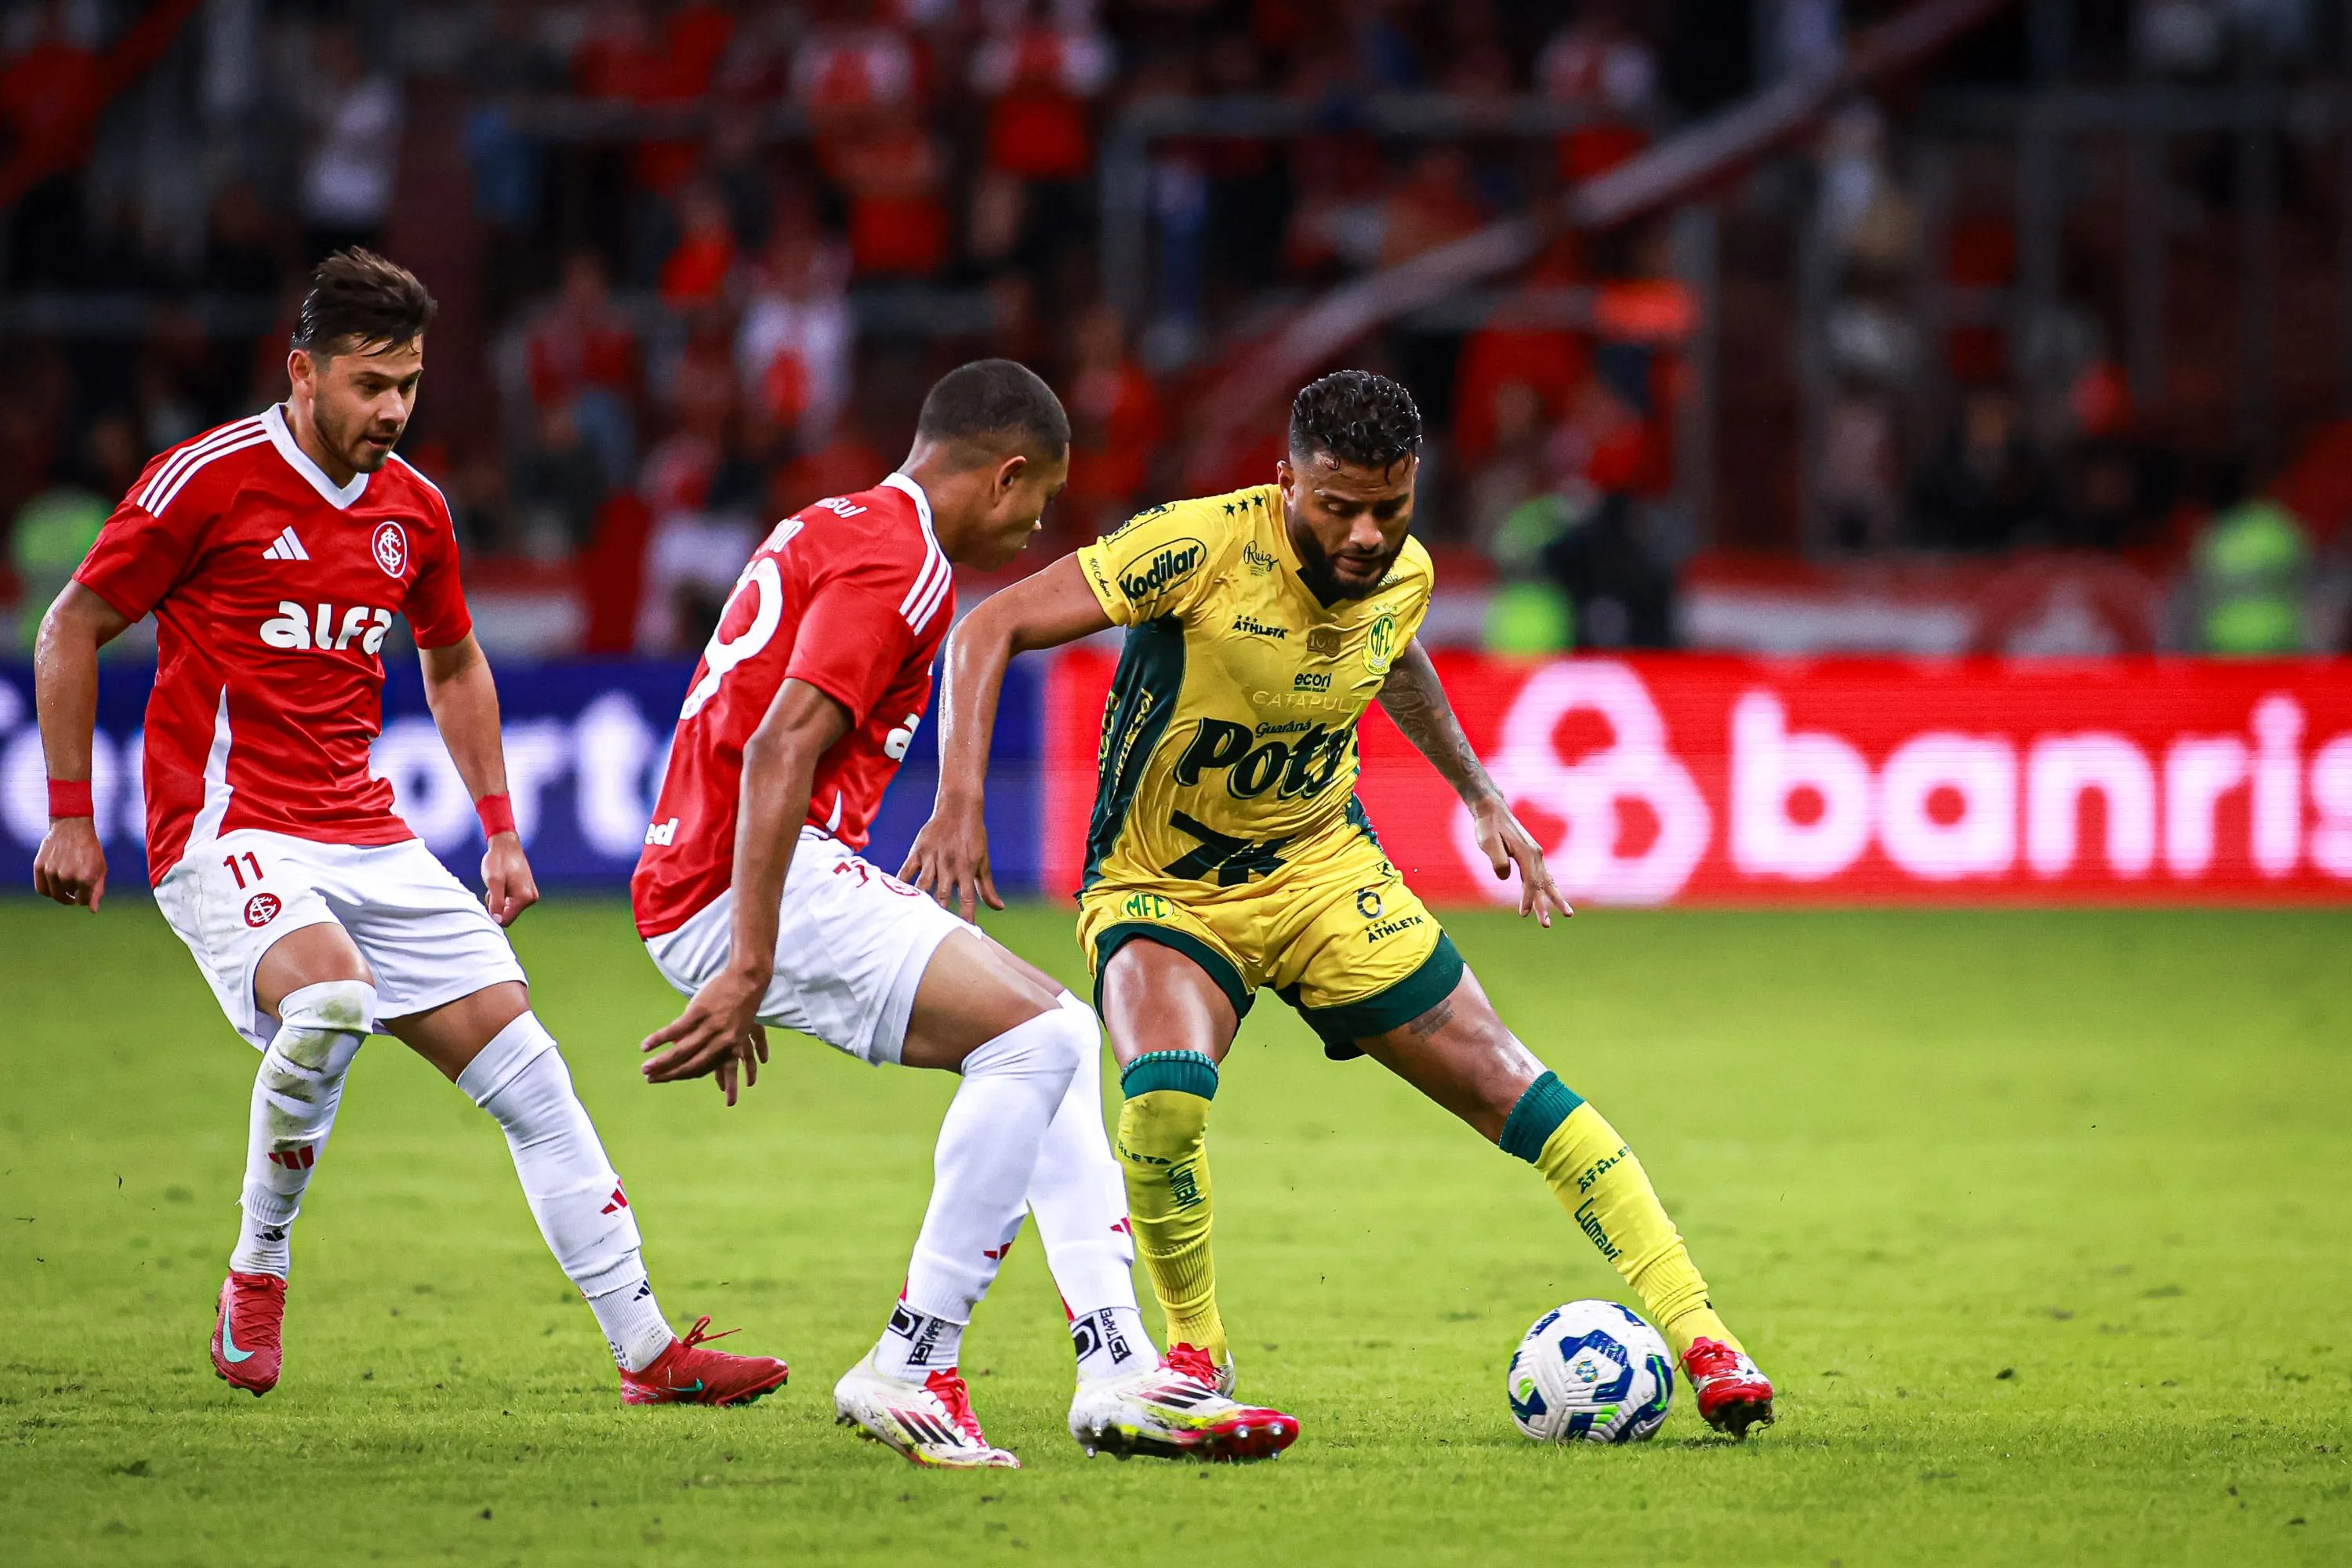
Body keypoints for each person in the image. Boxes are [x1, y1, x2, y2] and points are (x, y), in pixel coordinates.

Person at [904, 369, 1777, 1438]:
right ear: (1289, 482)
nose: (1367, 534)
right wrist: (959, 802)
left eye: (1390, 507)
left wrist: (1480, 792)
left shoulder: (1398, 573)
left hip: (1322, 874)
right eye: (1340, 506)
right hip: (1165, 887)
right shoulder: (1193, 546)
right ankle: (1194, 1352)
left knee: (1518, 1087)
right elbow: (985, 626)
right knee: (1167, 1100)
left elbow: (1396, 654)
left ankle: (1704, 1336)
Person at [29, 249, 786, 1410]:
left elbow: (453, 658)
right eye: (370, 384)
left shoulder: (414, 510)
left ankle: (647, 1353)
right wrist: (73, 814)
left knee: (535, 1079)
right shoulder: (207, 479)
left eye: (410, 385)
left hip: (370, 834)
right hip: (224, 826)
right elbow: (72, 623)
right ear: (303, 373)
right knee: (330, 1003)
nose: (392, 410)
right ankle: (258, 1269)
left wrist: (498, 829)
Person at [630, 358, 1298, 1468]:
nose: (1035, 533)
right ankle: (912, 1360)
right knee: (1035, 1038)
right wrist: (748, 958)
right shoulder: (899, 559)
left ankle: (1118, 1361)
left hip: (736, 872)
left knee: (1054, 1039)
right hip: (744, 876)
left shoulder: (836, 525)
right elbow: (779, 745)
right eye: (1038, 507)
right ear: (1007, 473)